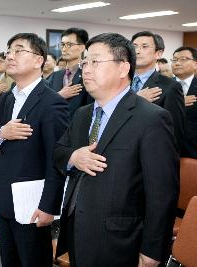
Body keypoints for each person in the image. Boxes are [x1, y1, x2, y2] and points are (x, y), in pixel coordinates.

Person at [54, 33, 179, 267]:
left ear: (123, 68)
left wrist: (153, 250)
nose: (86, 69)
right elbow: (59, 151)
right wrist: (73, 156)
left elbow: (162, 194)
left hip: (119, 239)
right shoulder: (83, 114)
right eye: (84, 62)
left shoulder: (152, 119)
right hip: (77, 230)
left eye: (95, 61)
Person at [0, 33, 69, 267]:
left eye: (18, 50)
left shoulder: (52, 103)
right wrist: (3, 133)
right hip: (3, 195)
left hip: (32, 202)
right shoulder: (6, 99)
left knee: (33, 261)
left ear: (38, 60)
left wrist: (49, 206)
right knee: (9, 260)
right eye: (9, 50)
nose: (10, 55)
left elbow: (57, 160)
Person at [131, 31, 185, 152]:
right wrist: (136, 99)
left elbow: (174, 132)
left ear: (158, 53)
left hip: (150, 153)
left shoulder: (170, 87)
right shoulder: (119, 81)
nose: (137, 51)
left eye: (144, 47)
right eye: (134, 46)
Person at [48, 28, 90, 119]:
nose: (64, 49)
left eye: (69, 45)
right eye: (62, 45)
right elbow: (44, 101)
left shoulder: (88, 74)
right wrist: (59, 95)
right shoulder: (55, 75)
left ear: (82, 47)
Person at [171, 46, 197, 158]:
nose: (177, 63)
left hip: (193, 150)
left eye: (183, 59)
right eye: (174, 60)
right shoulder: (161, 86)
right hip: (167, 147)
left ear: (195, 64)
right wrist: (178, 102)